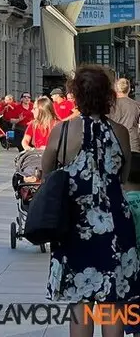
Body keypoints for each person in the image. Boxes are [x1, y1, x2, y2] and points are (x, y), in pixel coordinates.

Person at [43, 66, 140, 336]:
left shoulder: (61, 132)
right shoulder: (120, 132)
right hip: (115, 225)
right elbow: (122, 175)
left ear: (76, 95)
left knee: (81, 304)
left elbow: (47, 175)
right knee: (114, 301)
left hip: (75, 225)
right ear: (108, 96)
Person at [109, 77, 140, 160]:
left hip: (114, 144)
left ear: (115, 89)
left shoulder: (110, 106)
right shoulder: (136, 105)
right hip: (132, 145)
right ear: (129, 89)